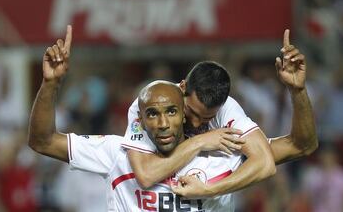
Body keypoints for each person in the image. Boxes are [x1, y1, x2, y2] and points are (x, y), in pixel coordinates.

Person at [28, 26, 248, 211]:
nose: (163, 124)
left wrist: (285, 88)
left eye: (171, 112)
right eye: (152, 114)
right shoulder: (117, 153)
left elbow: (282, 149)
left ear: (184, 113)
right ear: (139, 120)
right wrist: (50, 84)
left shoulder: (223, 152)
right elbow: (42, 141)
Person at [122, 30, 318, 197]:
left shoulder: (226, 111)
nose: (197, 124)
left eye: (206, 119)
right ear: (182, 88)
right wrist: (200, 142)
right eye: (191, 113)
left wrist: (297, 90)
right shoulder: (151, 103)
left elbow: (281, 156)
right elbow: (146, 174)